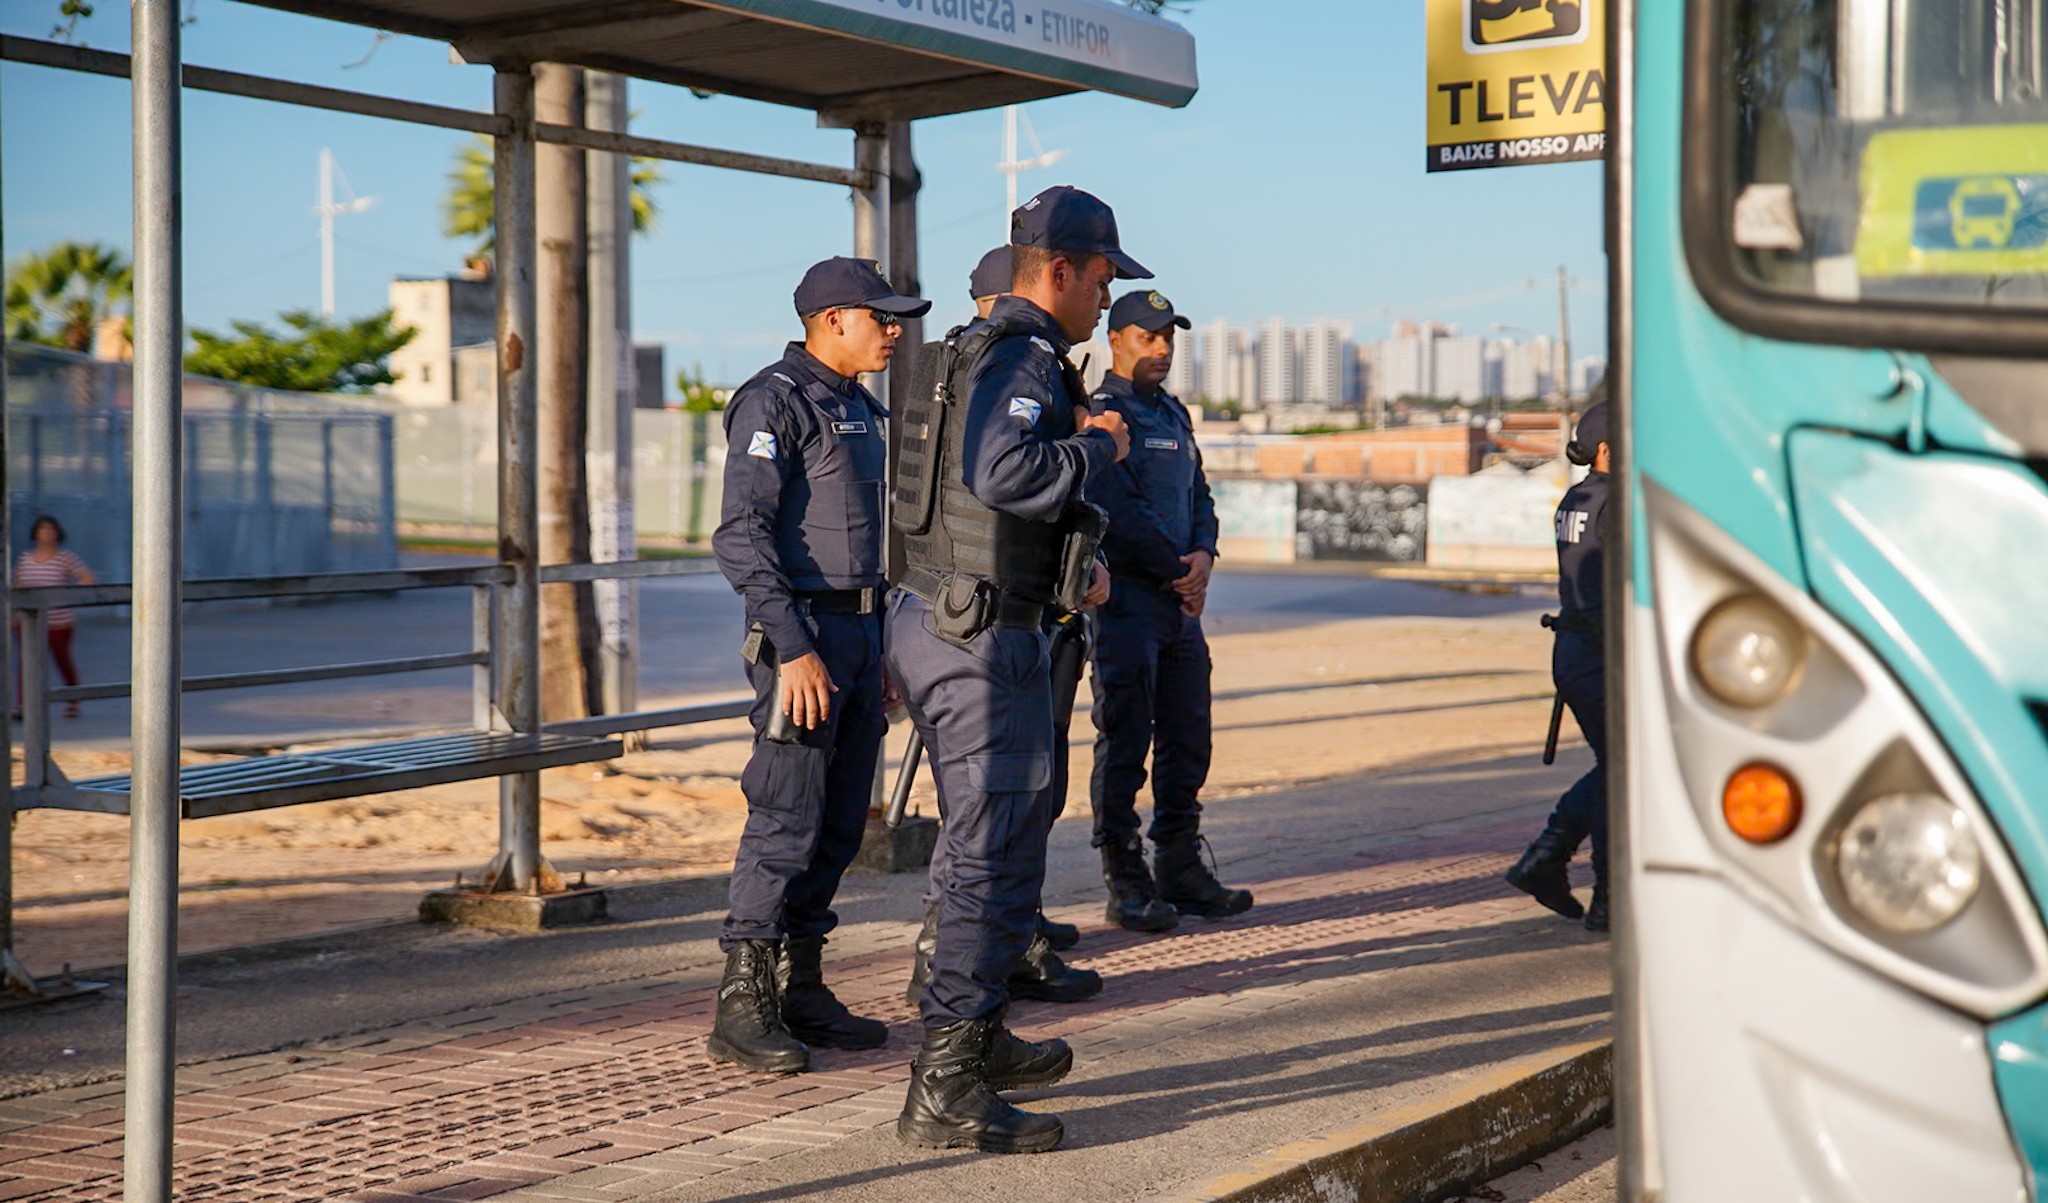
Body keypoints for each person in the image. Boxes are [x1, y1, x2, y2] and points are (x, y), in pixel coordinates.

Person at [887, 185, 1140, 1153]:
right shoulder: (1024, 352)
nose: (1107, 297)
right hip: (981, 635)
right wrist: (1096, 444)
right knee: (987, 853)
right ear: (1062, 269)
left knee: (990, 845)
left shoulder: (968, 349)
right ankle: (945, 1083)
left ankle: (978, 1037)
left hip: (954, 621)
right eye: (1105, 276)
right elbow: (1004, 475)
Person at [707, 257, 932, 1074]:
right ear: (833, 318)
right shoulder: (774, 400)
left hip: (862, 639)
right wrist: (795, 648)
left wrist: (886, 650)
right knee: (785, 817)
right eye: (882, 317)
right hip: (802, 637)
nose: (895, 330)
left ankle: (802, 985)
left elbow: (883, 545)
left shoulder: (861, 407)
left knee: (839, 823)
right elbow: (741, 535)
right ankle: (744, 1003)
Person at [1085, 291, 1252, 932]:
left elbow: (1200, 495)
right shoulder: (1104, 415)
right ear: (1115, 339)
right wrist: (1178, 569)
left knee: (1188, 740)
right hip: (1128, 605)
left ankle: (1180, 866)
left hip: (1182, 609)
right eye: (1147, 337)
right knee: (1125, 741)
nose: (1161, 350)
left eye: (1168, 339)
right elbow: (1118, 512)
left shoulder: (1175, 415)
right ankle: (1125, 878)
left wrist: (1205, 552)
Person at [1505, 397, 1611, 933]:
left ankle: (1596, 894)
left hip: (1576, 651)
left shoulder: (1579, 496)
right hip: (1598, 653)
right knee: (1622, 770)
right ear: (1610, 449)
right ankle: (1550, 861)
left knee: (1618, 770)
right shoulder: (1616, 503)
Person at [14, 516, 95, 720]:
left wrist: (67, 596)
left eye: (51, 530)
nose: (47, 534)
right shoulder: (26, 559)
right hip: (30, 622)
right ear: (36, 533)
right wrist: (13, 614)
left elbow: (87, 578)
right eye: (43, 530)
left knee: (62, 661)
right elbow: (16, 586)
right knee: (28, 664)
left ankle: (72, 701)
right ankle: (25, 706)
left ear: (58, 534)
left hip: (59, 622)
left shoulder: (64, 558)